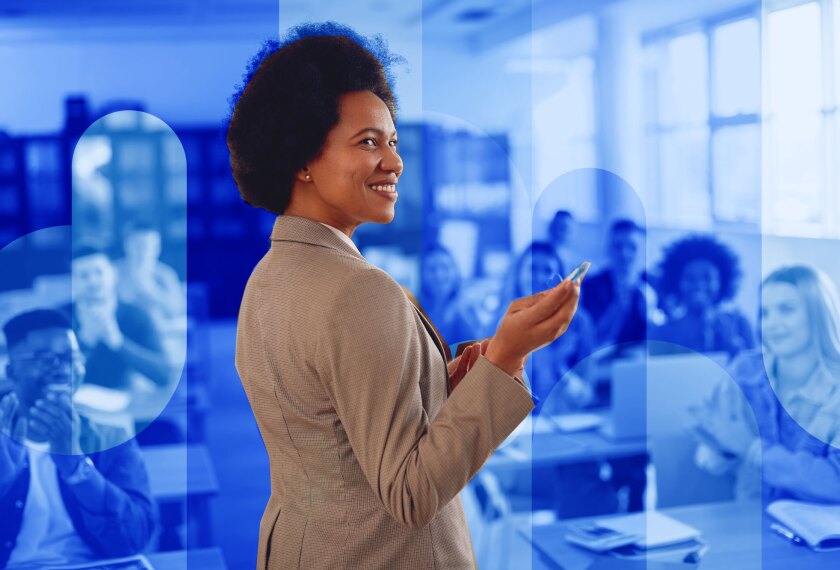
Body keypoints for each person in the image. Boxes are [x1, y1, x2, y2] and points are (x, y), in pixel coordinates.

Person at [227, 23, 583, 569]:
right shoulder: (358, 291)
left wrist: (455, 378)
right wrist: (510, 357)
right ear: (301, 158)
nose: (394, 162)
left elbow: (334, 430)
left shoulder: (269, 276)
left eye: (392, 141)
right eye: (367, 142)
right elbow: (409, 493)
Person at [0, 309, 156, 567]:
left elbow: (133, 540)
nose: (62, 369)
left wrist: (76, 467)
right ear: (11, 371)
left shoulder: (111, 439)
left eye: (70, 357)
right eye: (43, 358)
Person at [692, 265, 840, 502]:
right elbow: (706, 457)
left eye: (786, 310)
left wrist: (752, 449)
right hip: (749, 518)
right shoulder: (745, 370)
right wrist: (723, 446)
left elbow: (834, 482)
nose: (771, 324)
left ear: (818, 313)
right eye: (765, 313)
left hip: (821, 532)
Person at [66, 245, 170, 389]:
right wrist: (84, 342)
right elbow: (51, 379)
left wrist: (118, 342)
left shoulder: (138, 314)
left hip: (127, 403)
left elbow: (164, 375)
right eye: (84, 275)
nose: (93, 281)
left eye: (99, 272)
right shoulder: (60, 316)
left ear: (114, 273)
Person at [651, 235, 754, 357]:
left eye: (707, 277)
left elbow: (755, 372)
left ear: (722, 282)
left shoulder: (739, 324)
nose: (699, 285)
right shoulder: (662, 333)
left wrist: (733, 345)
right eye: (690, 278)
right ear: (676, 282)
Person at [581, 219, 648, 349]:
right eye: (618, 247)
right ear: (608, 249)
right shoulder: (590, 286)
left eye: (632, 247)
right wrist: (619, 305)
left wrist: (650, 312)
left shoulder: (654, 284)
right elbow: (591, 338)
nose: (624, 253)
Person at [115, 221, 185, 328]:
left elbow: (179, 309)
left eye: (150, 246)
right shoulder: (112, 272)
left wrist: (151, 290)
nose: (144, 252)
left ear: (158, 248)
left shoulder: (165, 274)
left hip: (160, 333)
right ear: (126, 245)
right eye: (138, 246)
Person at [418, 243, 477, 347]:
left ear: (455, 271)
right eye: (432, 269)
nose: (439, 275)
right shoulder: (415, 309)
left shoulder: (467, 309)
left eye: (445, 267)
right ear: (422, 274)